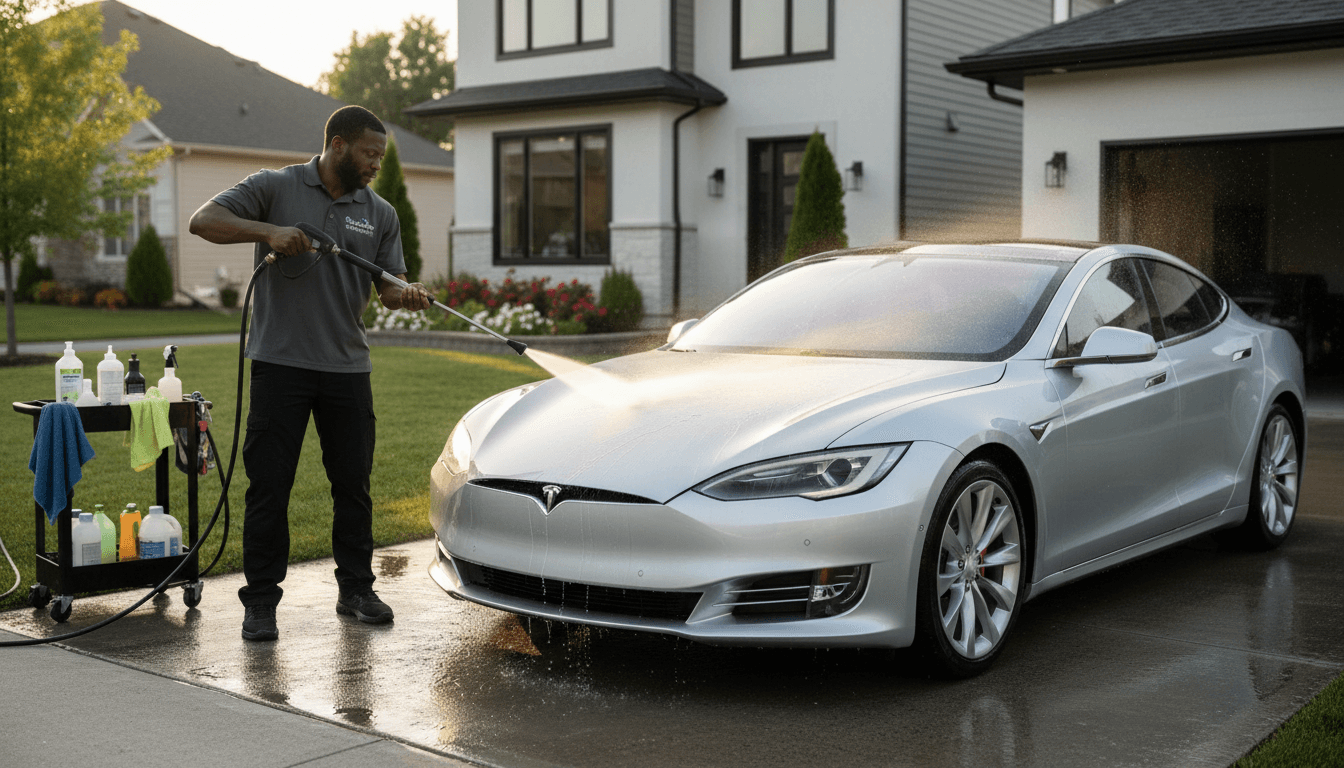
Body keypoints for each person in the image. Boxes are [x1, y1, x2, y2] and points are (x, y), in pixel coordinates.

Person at [188, 105, 431, 642]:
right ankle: (261, 602)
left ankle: (357, 590)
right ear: (338, 145)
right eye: (369, 154)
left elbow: (389, 288)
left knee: (354, 486)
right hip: (280, 365)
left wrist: (406, 294)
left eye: (380, 157)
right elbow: (203, 221)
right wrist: (270, 231)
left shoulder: (380, 212)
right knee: (269, 487)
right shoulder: (275, 186)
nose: (376, 165)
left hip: (347, 367)